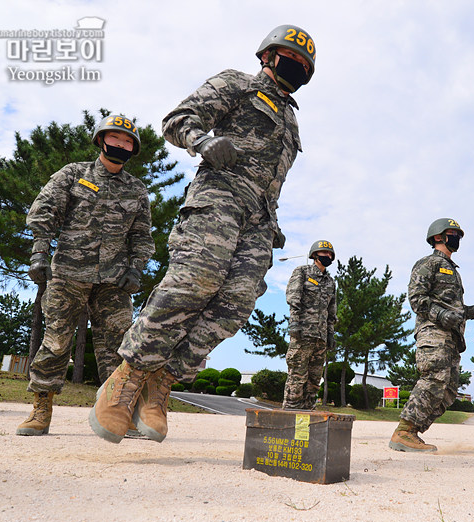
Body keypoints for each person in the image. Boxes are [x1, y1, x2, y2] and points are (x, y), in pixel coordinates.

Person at [89, 25, 317, 444]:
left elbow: (271, 180)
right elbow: (177, 121)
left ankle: (162, 382)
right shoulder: (236, 84)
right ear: (267, 55)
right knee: (194, 284)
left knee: (235, 305)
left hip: (258, 221)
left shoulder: (291, 123)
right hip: (217, 199)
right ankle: (128, 376)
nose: (297, 66)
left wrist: (274, 223)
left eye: (305, 64)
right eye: (290, 56)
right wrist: (203, 141)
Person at [17, 114, 154, 436]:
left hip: (114, 280)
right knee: (56, 342)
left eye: (127, 141)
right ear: (100, 140)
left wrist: (136, 268)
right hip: (68, 274)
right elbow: (44, 211)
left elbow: (141, 234)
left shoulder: (136, 189)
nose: (120, 144)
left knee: (120, 347)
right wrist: (39, 252)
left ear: (133, 149)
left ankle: (116, 412)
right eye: (115, 138)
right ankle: (41, 410)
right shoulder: (74, 174)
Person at [389, 218, 474, 452]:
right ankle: (404, 431)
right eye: (452, 233)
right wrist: (441, 315)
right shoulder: (428, 263)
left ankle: (412, 432)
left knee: (449, 389)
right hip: (433, 332)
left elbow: (457, 311)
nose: (457, 238)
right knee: (434, 378)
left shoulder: (454, 272)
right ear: (438, 237)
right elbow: (417, 298)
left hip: (452, 338)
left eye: (458, 234)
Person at [282, 240, 337, 410]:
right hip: (303, 334)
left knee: (314, 380)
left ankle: (307, 414)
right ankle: (290, 411)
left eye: (329, 254)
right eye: (323, 253)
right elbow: (294, 299)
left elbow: (331, 312)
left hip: (320, 339)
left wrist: (330, 334)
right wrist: (294, 325)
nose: (327, 256)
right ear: (314, 255)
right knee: (297, 375)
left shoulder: (330, 282)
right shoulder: (302, 272)